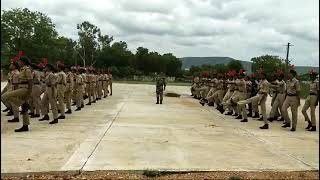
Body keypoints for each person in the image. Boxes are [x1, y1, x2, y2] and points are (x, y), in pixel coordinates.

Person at [2, 56, 33, 132]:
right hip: (21, 88)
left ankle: (23, 104)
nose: (18, 62)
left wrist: (29, 93)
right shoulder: (22, 70)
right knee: (24, 108)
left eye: (20, 61)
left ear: (23, 62)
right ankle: (25, 126)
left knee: (4, 96)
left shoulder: (27, 70)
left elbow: (30, 82)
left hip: (25, 89)